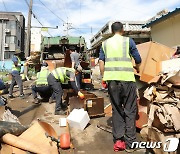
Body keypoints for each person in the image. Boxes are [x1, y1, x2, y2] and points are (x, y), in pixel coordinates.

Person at [99, 22, 141, 152]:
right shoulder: (128, 41)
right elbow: (138, 59)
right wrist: (137, 68)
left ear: (112, 31)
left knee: (116, 110)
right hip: (127, 79)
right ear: (122, 30)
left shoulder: (105, 44)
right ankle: (130, 143)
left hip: (112, 80)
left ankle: (118, 140)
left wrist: (103, 77)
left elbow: (101, 62)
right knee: (130, 110)